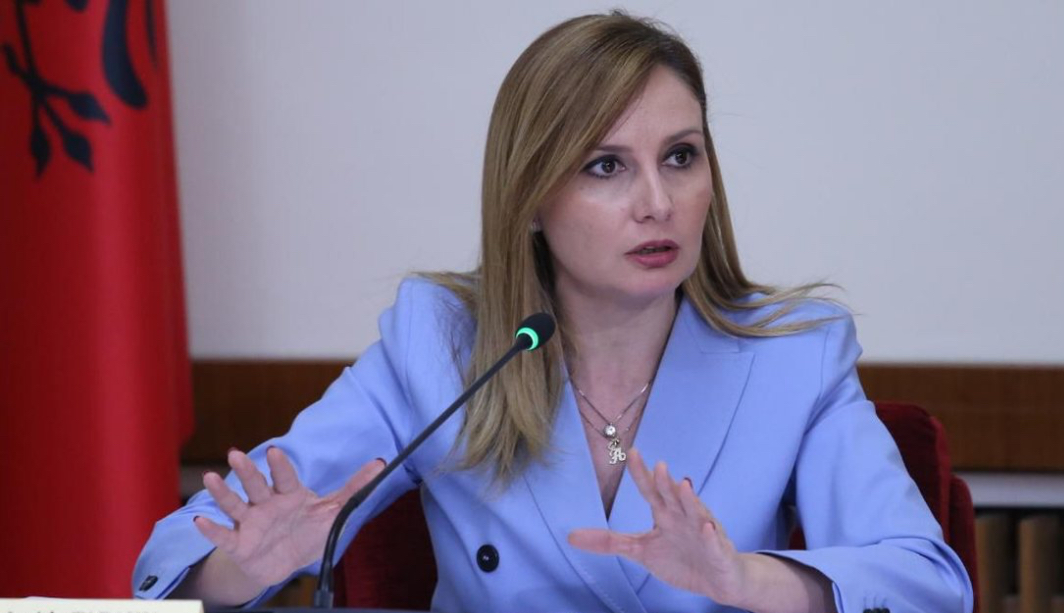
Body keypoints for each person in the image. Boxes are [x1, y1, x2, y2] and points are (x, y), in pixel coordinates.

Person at [134, 12, 973, 613]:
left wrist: (743, 578)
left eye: (680, 157)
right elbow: (171, 558)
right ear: (531, 197)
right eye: (606, 166)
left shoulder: (794, 356)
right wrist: (247, 568)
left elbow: (925, 584)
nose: (657, 202)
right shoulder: (442, 344)